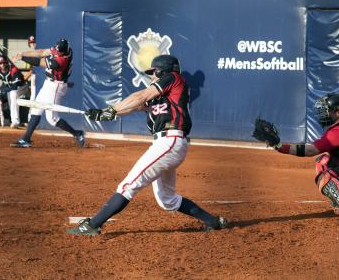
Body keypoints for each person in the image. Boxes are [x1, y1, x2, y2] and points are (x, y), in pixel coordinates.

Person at [67, 54, 227, 235]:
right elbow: (133, 106)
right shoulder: (162, 95)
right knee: (167, 199)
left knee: (128, 185)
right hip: (169, 144)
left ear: (162, 70)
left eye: (154, 72)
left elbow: (140, 96)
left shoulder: (173, 78)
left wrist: (111, 110)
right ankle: (212, 221)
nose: (152, 76)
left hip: (169, 141)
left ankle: (92, 225)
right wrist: (104, 113)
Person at [264, 93, 339, 224]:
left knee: (326, 176)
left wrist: (279, 146)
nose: (323, 115)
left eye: (327, 111)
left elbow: (310, 150)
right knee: (323, 161)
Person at [11, 39, 86, 148]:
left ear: (63, 52)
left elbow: (38, 62)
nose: (56, 52)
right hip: (49, 83)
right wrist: (22, 53)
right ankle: (26, 139)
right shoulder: (64, 49)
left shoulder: (60, 61)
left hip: (56, 87)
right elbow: (41, 52)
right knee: (36, 108)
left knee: (52, 119)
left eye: (58, 52)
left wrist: (22, 58)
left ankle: (78, 134)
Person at [0, 56, 26, 128]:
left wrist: (1, 91)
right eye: (0, 63)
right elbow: (2, 82)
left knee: (12, 94)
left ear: (7, 63)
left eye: (4, 63)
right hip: (10, 88)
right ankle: (14, 121)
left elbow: (15, 86)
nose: (2, 65)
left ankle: (15, 121)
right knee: (10, 98)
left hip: (22, 87)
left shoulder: (14, 70)